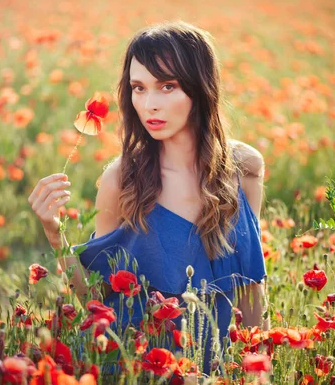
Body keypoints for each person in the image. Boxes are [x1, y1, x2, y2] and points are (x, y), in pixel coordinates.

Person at [28, 20, 269, 377]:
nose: (150, 104)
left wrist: (259, 372)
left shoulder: (244, 169)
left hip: (216, 370)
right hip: (139, 371)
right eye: (138, 88)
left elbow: (250, 288)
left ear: (199, 88)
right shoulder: (120, 180)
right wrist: (53, 231)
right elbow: (97, 298)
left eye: (167, 86)